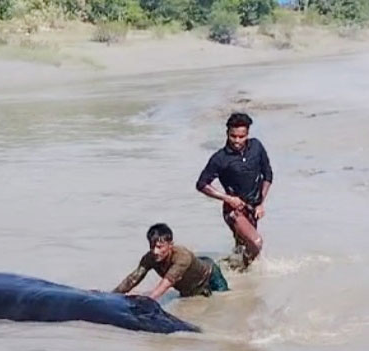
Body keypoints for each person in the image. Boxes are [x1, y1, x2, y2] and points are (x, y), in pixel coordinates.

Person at [195, 112, 274, 271]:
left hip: (253, 208)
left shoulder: (257, 147)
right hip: (233, 210)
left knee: (243, 247)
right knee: (256, 242)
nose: (237, 141)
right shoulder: (220, 158)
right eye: (233, 136)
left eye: (241, 136)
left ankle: (236, 277)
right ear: (227, 133)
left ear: (247, 134)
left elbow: (268, 175)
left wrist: (260, 203)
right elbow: (201, 184)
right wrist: (227, 198)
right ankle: (240, 271)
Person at [113, 223, 229, 301]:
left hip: (209, 275)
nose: (155, 251)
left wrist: (149, 300)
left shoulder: (182, 257)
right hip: (188, 288)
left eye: (159, 247)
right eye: (152, 246)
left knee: (224, 300)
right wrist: (112, 295)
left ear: (170, 245)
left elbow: (167, 283)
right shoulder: (150, 258)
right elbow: (133, 278)